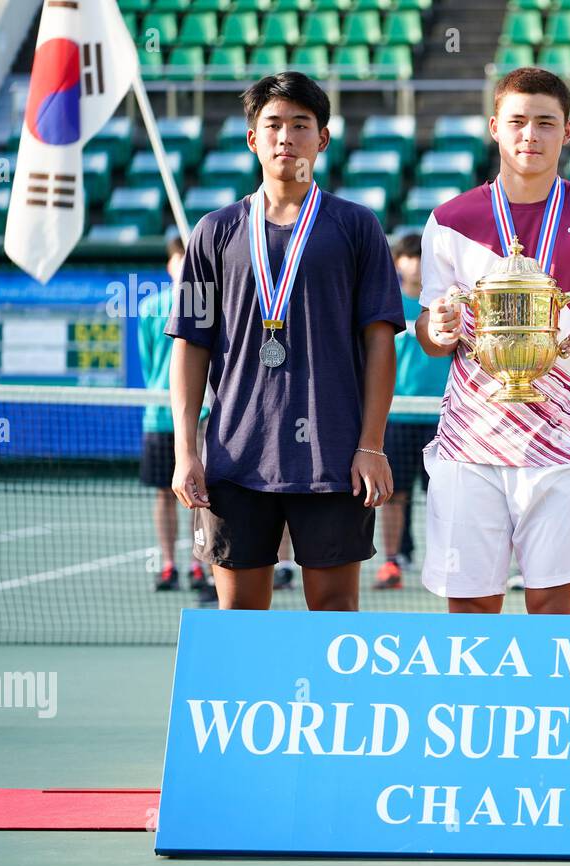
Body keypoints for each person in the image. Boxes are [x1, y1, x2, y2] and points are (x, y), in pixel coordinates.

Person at [167, 72, 404, 611]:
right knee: (241, 621)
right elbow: (190, 345)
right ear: (252, 137)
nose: (285, 137)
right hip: (235, 456)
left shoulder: (357, 226)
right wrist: (187, 452)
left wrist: (370, 444)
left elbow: (380, 344)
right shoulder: (214, 232)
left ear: (322, 139)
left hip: (335, 458)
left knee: (335, 616)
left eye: (301, 124)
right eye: (272, 124)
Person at [417, 67, 570, 614]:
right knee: (470, 607)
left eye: (546, 123)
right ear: (494, 127)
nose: (530, 136)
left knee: (553, 609)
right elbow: (427, 331)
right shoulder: (449, 220)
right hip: (471, 445)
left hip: (563, 443)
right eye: (517, 122)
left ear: (567, 131)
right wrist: (437, 329)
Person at [376, 232, 449, 589]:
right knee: (394, 495)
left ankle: (446, 563)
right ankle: (392, 562)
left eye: (420, 256)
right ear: (398, 263)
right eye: (408, 256)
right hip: (398, 415)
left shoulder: (446, 303)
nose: (415, 263)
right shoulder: (388, 304)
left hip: (444, 416)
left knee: (443, 498)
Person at [138, 236, 208, 593]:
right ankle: (168, 564)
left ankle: (199, 565)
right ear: (169, 264)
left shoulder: (207, 305)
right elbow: (149, 359)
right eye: (177, 257)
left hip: (203, 417)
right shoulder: (151, 308)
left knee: (201, 493)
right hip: (158, 418)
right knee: (164, 493)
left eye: (187, 256)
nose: (182, 263)